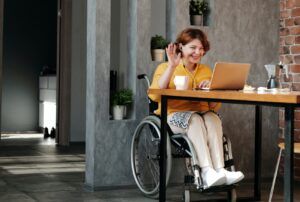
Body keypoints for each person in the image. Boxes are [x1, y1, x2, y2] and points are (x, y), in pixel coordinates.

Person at [148, 28, 244, 188]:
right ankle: (206, 171)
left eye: (201, 48)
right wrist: (172, 66)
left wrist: (213, 89)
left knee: (212, 117)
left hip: (202, 114)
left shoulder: (206, 71)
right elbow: (156, 96)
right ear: (181, 47)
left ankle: (220, 170)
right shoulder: (165, 67)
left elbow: (213, 106)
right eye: (193, 47)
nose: (198, 52)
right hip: (172, 116)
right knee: (195, 119)